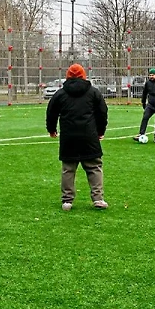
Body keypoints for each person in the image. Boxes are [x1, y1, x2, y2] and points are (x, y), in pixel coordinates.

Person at [46, 63, 109, 211]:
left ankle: (67, 201)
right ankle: (98, 198)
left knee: (68, 169)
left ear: (67, 76)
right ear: (83, 75)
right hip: (89, 136)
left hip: (69, 137)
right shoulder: (93, 92)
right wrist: (101, 131)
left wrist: (51, 129)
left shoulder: (60, 94)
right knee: (94, 167)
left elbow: (51, 112)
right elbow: (102, 113)